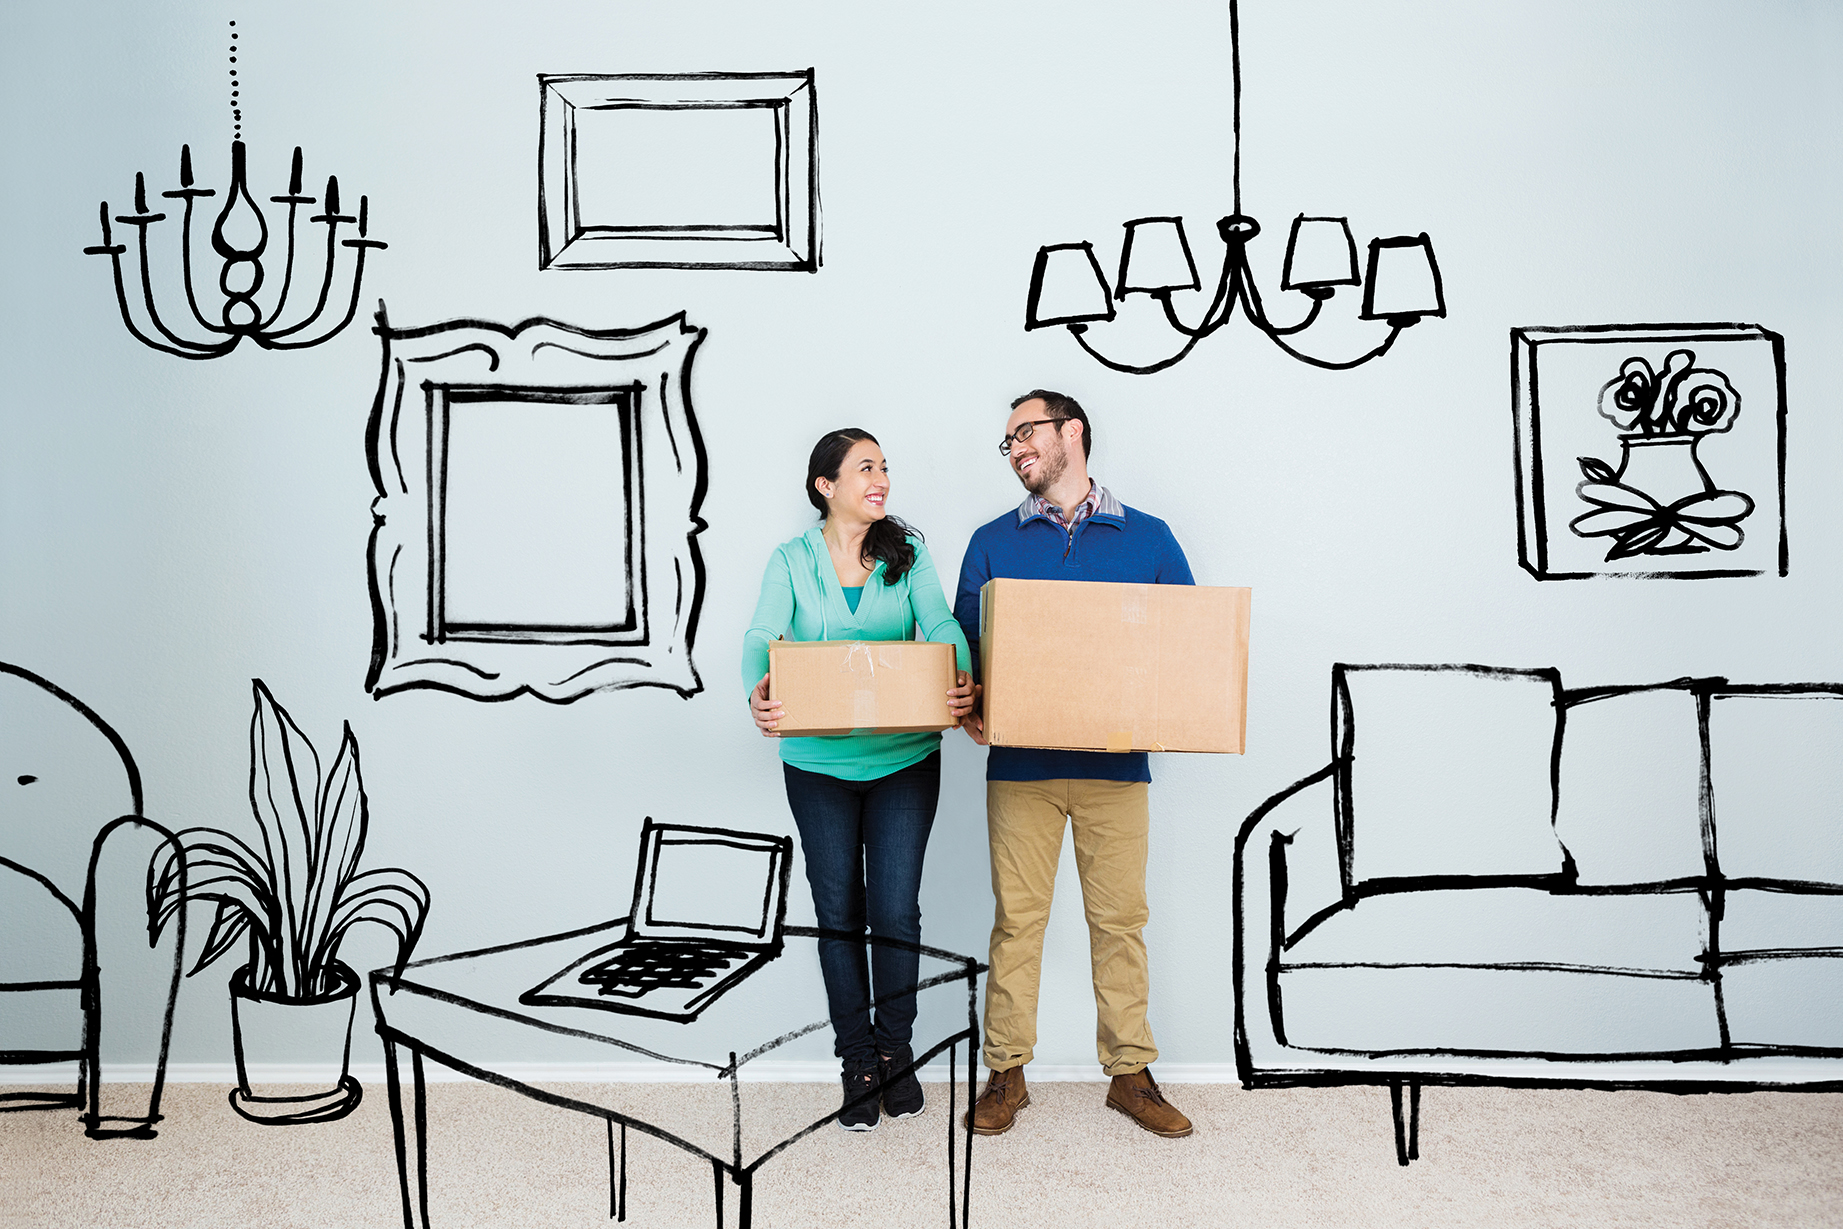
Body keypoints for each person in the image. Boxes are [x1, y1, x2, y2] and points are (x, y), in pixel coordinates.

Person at [952, 390, 1196, 1139]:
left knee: (1120, 922)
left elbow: (1187, 646)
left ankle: (1130, 1073)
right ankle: (1006, 1073)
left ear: (1072, 433)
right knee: (1016, 925)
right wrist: (967, 707)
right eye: (1008, 440)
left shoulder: (1148, 537)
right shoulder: (991, 539)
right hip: (1020, 769)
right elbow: (962, 649)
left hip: (1116, 771)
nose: (1017, 446)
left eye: (1026, 431)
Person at [743, 428, 975, 1132]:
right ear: (826, 485)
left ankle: (896, 1051)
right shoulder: (791, 561)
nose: (880, 479)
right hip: (817, 766)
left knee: (894, 911)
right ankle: (858, 1061)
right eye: (865, 468)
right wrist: (755, 688)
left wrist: (958, 671)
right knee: (837, 913)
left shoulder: (907, 554)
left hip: (903, 757)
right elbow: (762, 634)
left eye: (883, 467)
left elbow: (938, 621)